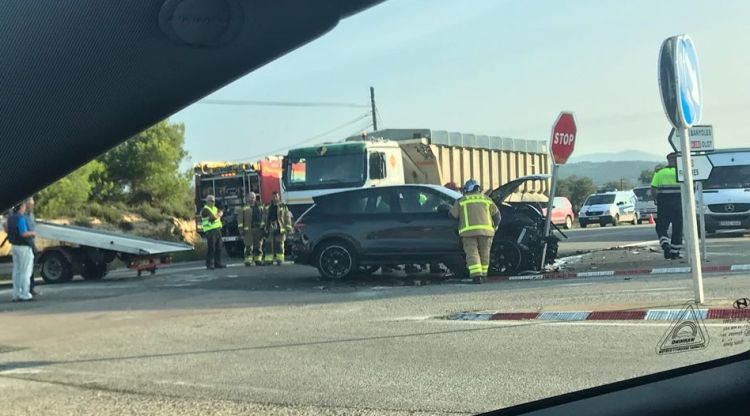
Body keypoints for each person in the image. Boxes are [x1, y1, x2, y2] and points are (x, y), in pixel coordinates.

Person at [450, 179, 500, 284]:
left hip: (469, 233)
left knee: (472, 254)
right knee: (484, 254)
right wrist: (494, 228)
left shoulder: (462, 201)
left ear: (467, 189)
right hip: (487, 233)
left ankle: (477, 276)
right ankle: (484, 275)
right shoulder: (487, 199)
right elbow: (497, 216)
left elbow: (453, 215)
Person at [651, 153, 683, 259]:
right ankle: (674, 253)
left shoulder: (659, 173)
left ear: (668, 160)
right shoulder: (682, 172)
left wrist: (656, 199)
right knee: (678, 228)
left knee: (661, 226)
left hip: (664, 204)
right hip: (679, 204)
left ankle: (665, 245)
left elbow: (653, 189)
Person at [5, 199, 36, 301]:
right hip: (24, 246)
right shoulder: (21, 218)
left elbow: (6, 229)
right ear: (21, 207)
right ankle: (25, 293)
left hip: (14, 246)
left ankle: (16, 294)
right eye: (24, 205)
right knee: (25, 271)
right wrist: (32, 233)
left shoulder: (10, 218)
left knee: (17, 271)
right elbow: (23, 233)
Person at [263, 192, 292, 266]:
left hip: (280, 226)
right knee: (268, 243)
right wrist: (264, 227)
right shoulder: (268, 206)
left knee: (279, 244)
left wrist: (288, 227)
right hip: (270, 226)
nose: (275, 198)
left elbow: (287, 217)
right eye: (273, 196)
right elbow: (264, 217)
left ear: (279, 197)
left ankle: (280, 259)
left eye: (276, 196)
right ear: (271, 197)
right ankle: (269, 259)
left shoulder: (283, 206)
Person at [236, 192, 265, 266]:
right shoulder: (243, 208)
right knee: (248, 246)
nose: (252, 199)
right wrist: (241, 231)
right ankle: (248, 260)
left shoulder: (260, 207)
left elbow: (264, 218)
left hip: (258, 229)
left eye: (254, 197)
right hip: (248, 231)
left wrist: (263, 228)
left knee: (258, 246)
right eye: (251, 197)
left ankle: (258, 260)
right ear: (247, 198)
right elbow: (240, 222)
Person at [200, 195, 226, 269]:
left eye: (214, 200)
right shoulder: (205, 210)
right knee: (212, 248)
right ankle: (210, 264)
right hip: (210, 231)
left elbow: (219, 214)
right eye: (211, 200)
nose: (213, 202)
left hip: (217, 230)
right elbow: (212, 218)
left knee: (219, 247)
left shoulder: (215, 208)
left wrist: (220, 212)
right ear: (207, 201)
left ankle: (218, 263)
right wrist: (219, 214)